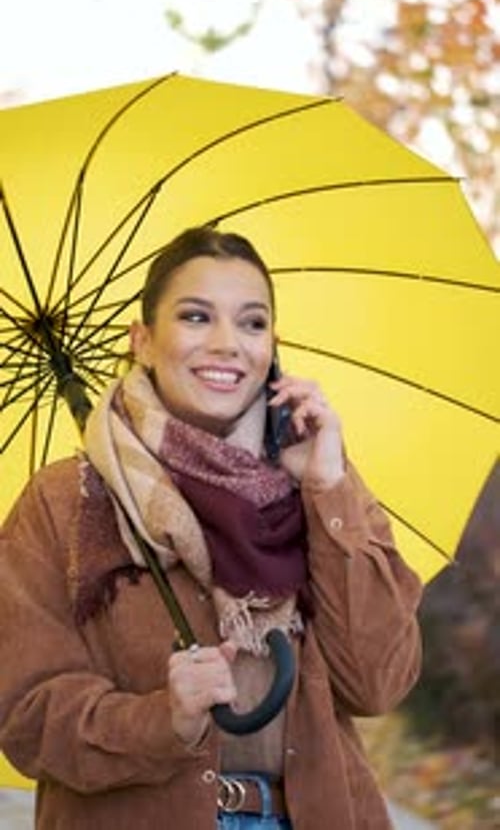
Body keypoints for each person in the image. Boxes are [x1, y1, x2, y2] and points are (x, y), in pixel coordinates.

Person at [0, 226, 422, 830]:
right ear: (143, 341)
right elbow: (26, 714)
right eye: (196, 317)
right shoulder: (66, 499)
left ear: (272, 345)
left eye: (252, 323)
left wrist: (329, 488)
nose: (228, 343)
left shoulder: (315, 480)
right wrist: (160, 719)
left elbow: (380, 682)